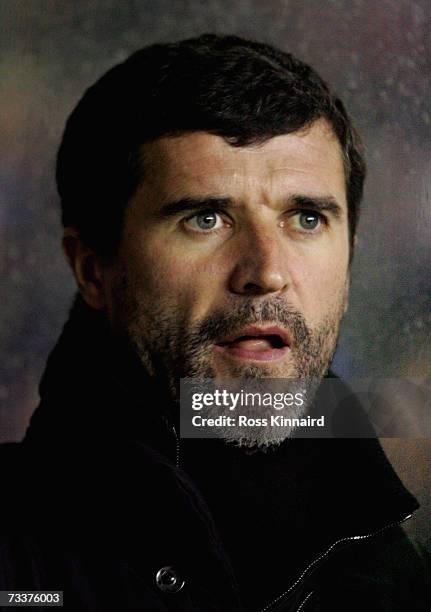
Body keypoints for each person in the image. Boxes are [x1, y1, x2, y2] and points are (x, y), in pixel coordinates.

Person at [0, 34, 429, 611]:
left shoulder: (400, 582)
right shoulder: (16, 560)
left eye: (306, 218)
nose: (267, 271)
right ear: (93, 270)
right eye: (206, 218)